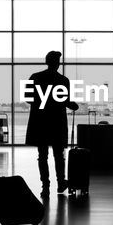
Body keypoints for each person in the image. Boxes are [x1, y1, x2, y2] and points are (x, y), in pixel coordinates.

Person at [25, 51, 79, 198]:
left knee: (42, 155)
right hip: (57, 122)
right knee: (58, 155)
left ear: (46, 61)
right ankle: (61, 182)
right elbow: (65, 100)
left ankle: (45, 186)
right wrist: (72, 105)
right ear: (58, 63)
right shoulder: (63, 80)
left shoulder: (35, 77)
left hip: (40, 121)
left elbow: (28, 98)